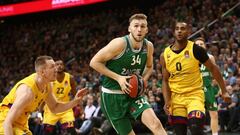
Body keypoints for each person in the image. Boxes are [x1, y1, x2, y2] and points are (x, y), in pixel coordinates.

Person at [90, 13, 167, 135]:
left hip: (133, 94)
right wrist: (119, 78)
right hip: (112, 96)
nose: (139, 29)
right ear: (129, 28)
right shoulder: (119, 44)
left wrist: (144, 79)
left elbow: (149, 66)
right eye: (136, 26)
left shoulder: (148, 46)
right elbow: (94, 62)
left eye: (143, 26)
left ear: (147, 29)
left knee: (156, 124)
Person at [160, 20, 231, 135]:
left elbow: (214, 69)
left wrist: (224, 91)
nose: (179, 31)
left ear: (188, 31)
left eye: (182, 29)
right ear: (173, 32)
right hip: (176, 99)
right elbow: (165, 80)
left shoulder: (196, 49)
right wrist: (167, 101)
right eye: (177, 29)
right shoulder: (165, 54)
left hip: (195, 96)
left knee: (195, 128)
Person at [0, 55, 87, 135]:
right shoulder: (27, 92)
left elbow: (55, 107)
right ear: (42, 72)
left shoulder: (47, 85)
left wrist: (75, 101)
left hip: (21, 123)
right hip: (4, 122)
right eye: (52, 67)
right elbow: (8, 122)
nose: (56, 69)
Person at [42, 59, 77, 135]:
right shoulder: (49, 79)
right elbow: (44, 93)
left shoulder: (70, 78)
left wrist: (80, 107)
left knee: (71, 130)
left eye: (61, 64)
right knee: (47, 131)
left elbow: (75, 94)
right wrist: (40, 107)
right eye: (57, 64)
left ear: (64, 66)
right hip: (51, 108)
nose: (59, 66)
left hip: (65, 108)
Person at [195, 37, 219, 135]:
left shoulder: (210, 58)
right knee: (196, 116)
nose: (200, 46)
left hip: (208, 89)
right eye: (197, 44)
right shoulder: (190, 58)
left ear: (205, 46)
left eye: (201, 44)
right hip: (196, 90)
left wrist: (217, 87)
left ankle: (215, 134)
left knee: (214, 114)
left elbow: (215, 74)